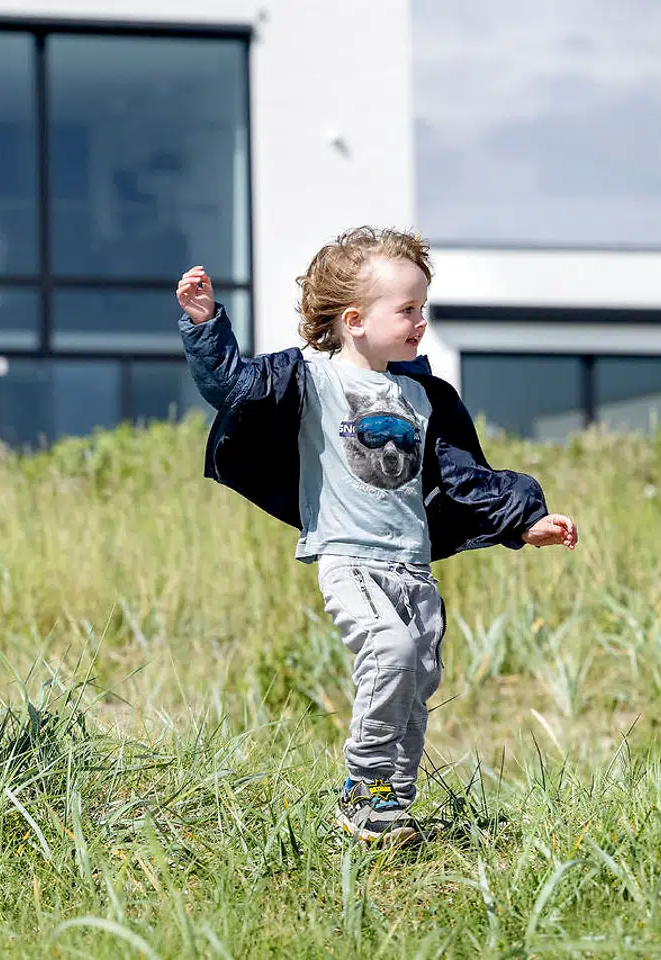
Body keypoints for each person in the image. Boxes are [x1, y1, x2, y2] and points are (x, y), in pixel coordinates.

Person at [176, 227, 578, 846]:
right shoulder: (310, 378)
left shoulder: (424, 396)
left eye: (424, 308)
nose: (421, 321)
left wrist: (523, 521)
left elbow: (462, 476)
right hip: (349, 559)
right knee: (387, 654)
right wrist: (207, 327)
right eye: (408, 310)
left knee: (418, 678)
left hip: (414, 569)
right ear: (356, 320)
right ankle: (363, 793)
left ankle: (392, 808)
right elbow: (234, 387)